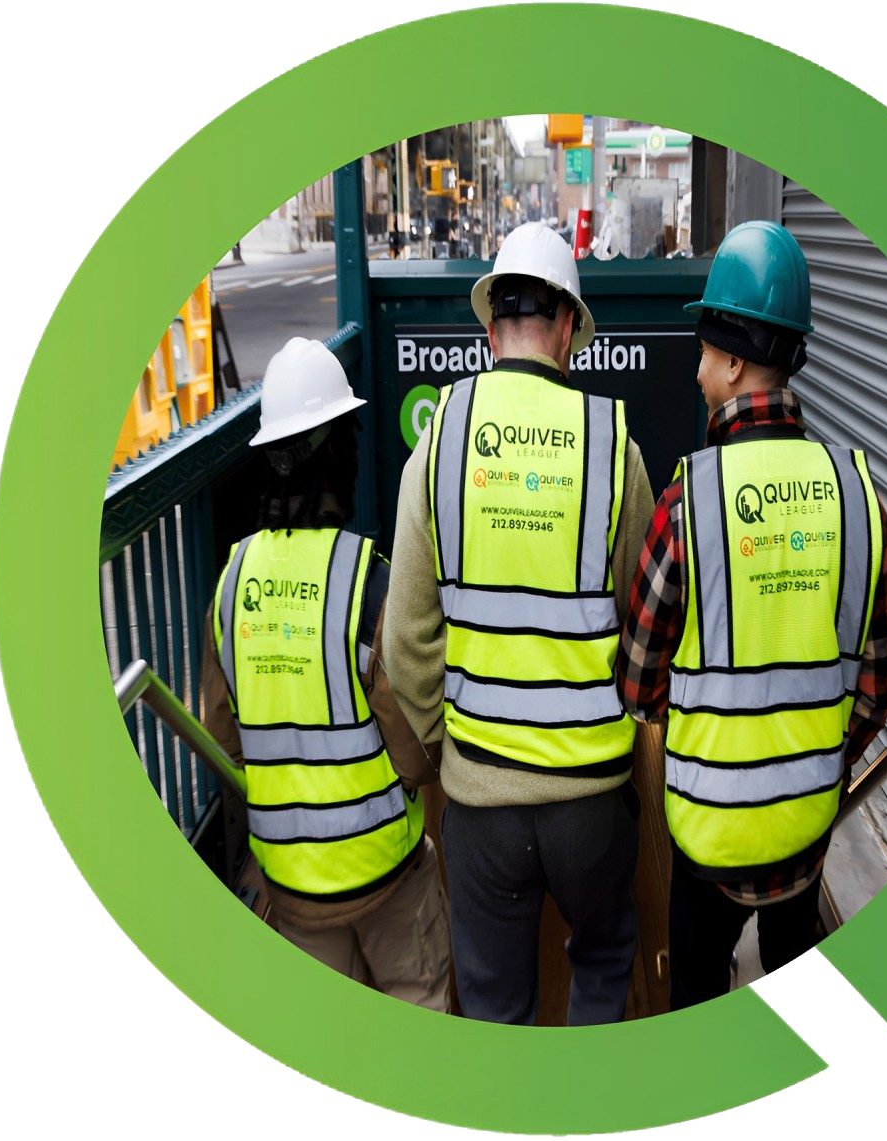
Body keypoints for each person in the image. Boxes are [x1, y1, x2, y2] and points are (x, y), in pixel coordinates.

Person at [615, 220, 887, 1010]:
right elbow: (878, 686)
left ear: (734, 360)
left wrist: (714, 732)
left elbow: (638, 685)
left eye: (706, 349)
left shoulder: (690, 498)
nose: (698, 366)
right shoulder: (857, 494)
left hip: (707, 839)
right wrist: (804, 756)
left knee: (699, 1010)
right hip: (806, 838)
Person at [382, 221, 655, 1026]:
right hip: (592, 802)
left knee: (496, 1015)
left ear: (489, 324)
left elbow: (406, 640)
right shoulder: (614, 446)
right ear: (569, 325)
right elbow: (644, 621)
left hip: (480, 803)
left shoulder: (436, 450)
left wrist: (448, 745)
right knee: (605, 963)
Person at [201, 336, 451, 1012]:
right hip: (385, 876)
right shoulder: (362, 582)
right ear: (339, 453)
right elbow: (410, 753)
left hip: (288, 885)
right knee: (420, 1017)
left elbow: (222, 733)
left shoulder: (232, 582)